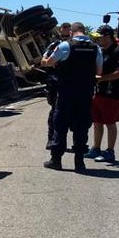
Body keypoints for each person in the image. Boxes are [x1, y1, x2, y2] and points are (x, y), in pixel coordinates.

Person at [41, 22, 103, 172]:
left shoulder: (65, 46)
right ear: (84, 31)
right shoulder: (96, 48)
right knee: (81, 127)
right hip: (85, 94)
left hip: (66, 93)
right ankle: (79, 163)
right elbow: (99, 72)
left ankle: (56, 160)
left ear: (71, 32)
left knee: (60, 126)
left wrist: (44, 58)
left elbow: (48, 63)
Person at [87, 25, 119, 163]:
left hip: (113, 93)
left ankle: (110, 151)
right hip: (99, 92)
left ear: (108, 37)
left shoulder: (118, 51)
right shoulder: (101, 51)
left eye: (99, 37)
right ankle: (96, 148)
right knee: (97, 121)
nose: (97, 39)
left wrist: (102, 78)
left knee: (110, 122)